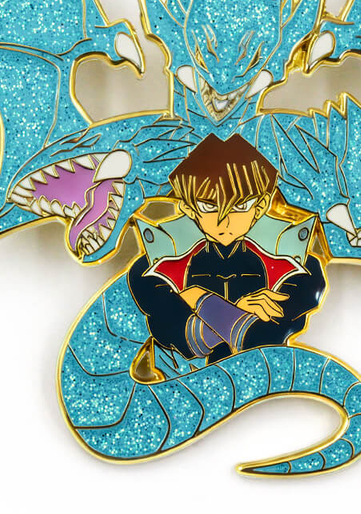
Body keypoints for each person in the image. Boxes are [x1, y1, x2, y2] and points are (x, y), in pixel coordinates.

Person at [127, 133, 327, 366]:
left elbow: (260, 338)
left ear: (261, 206)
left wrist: (198, 298)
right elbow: (178, 335)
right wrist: (235, 312)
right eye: (208, 206)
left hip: (265, 374)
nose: (225, 221)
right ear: (189, 209)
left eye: (240, 206)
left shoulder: (300, 270)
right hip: (186, 377)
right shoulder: (152, 271)